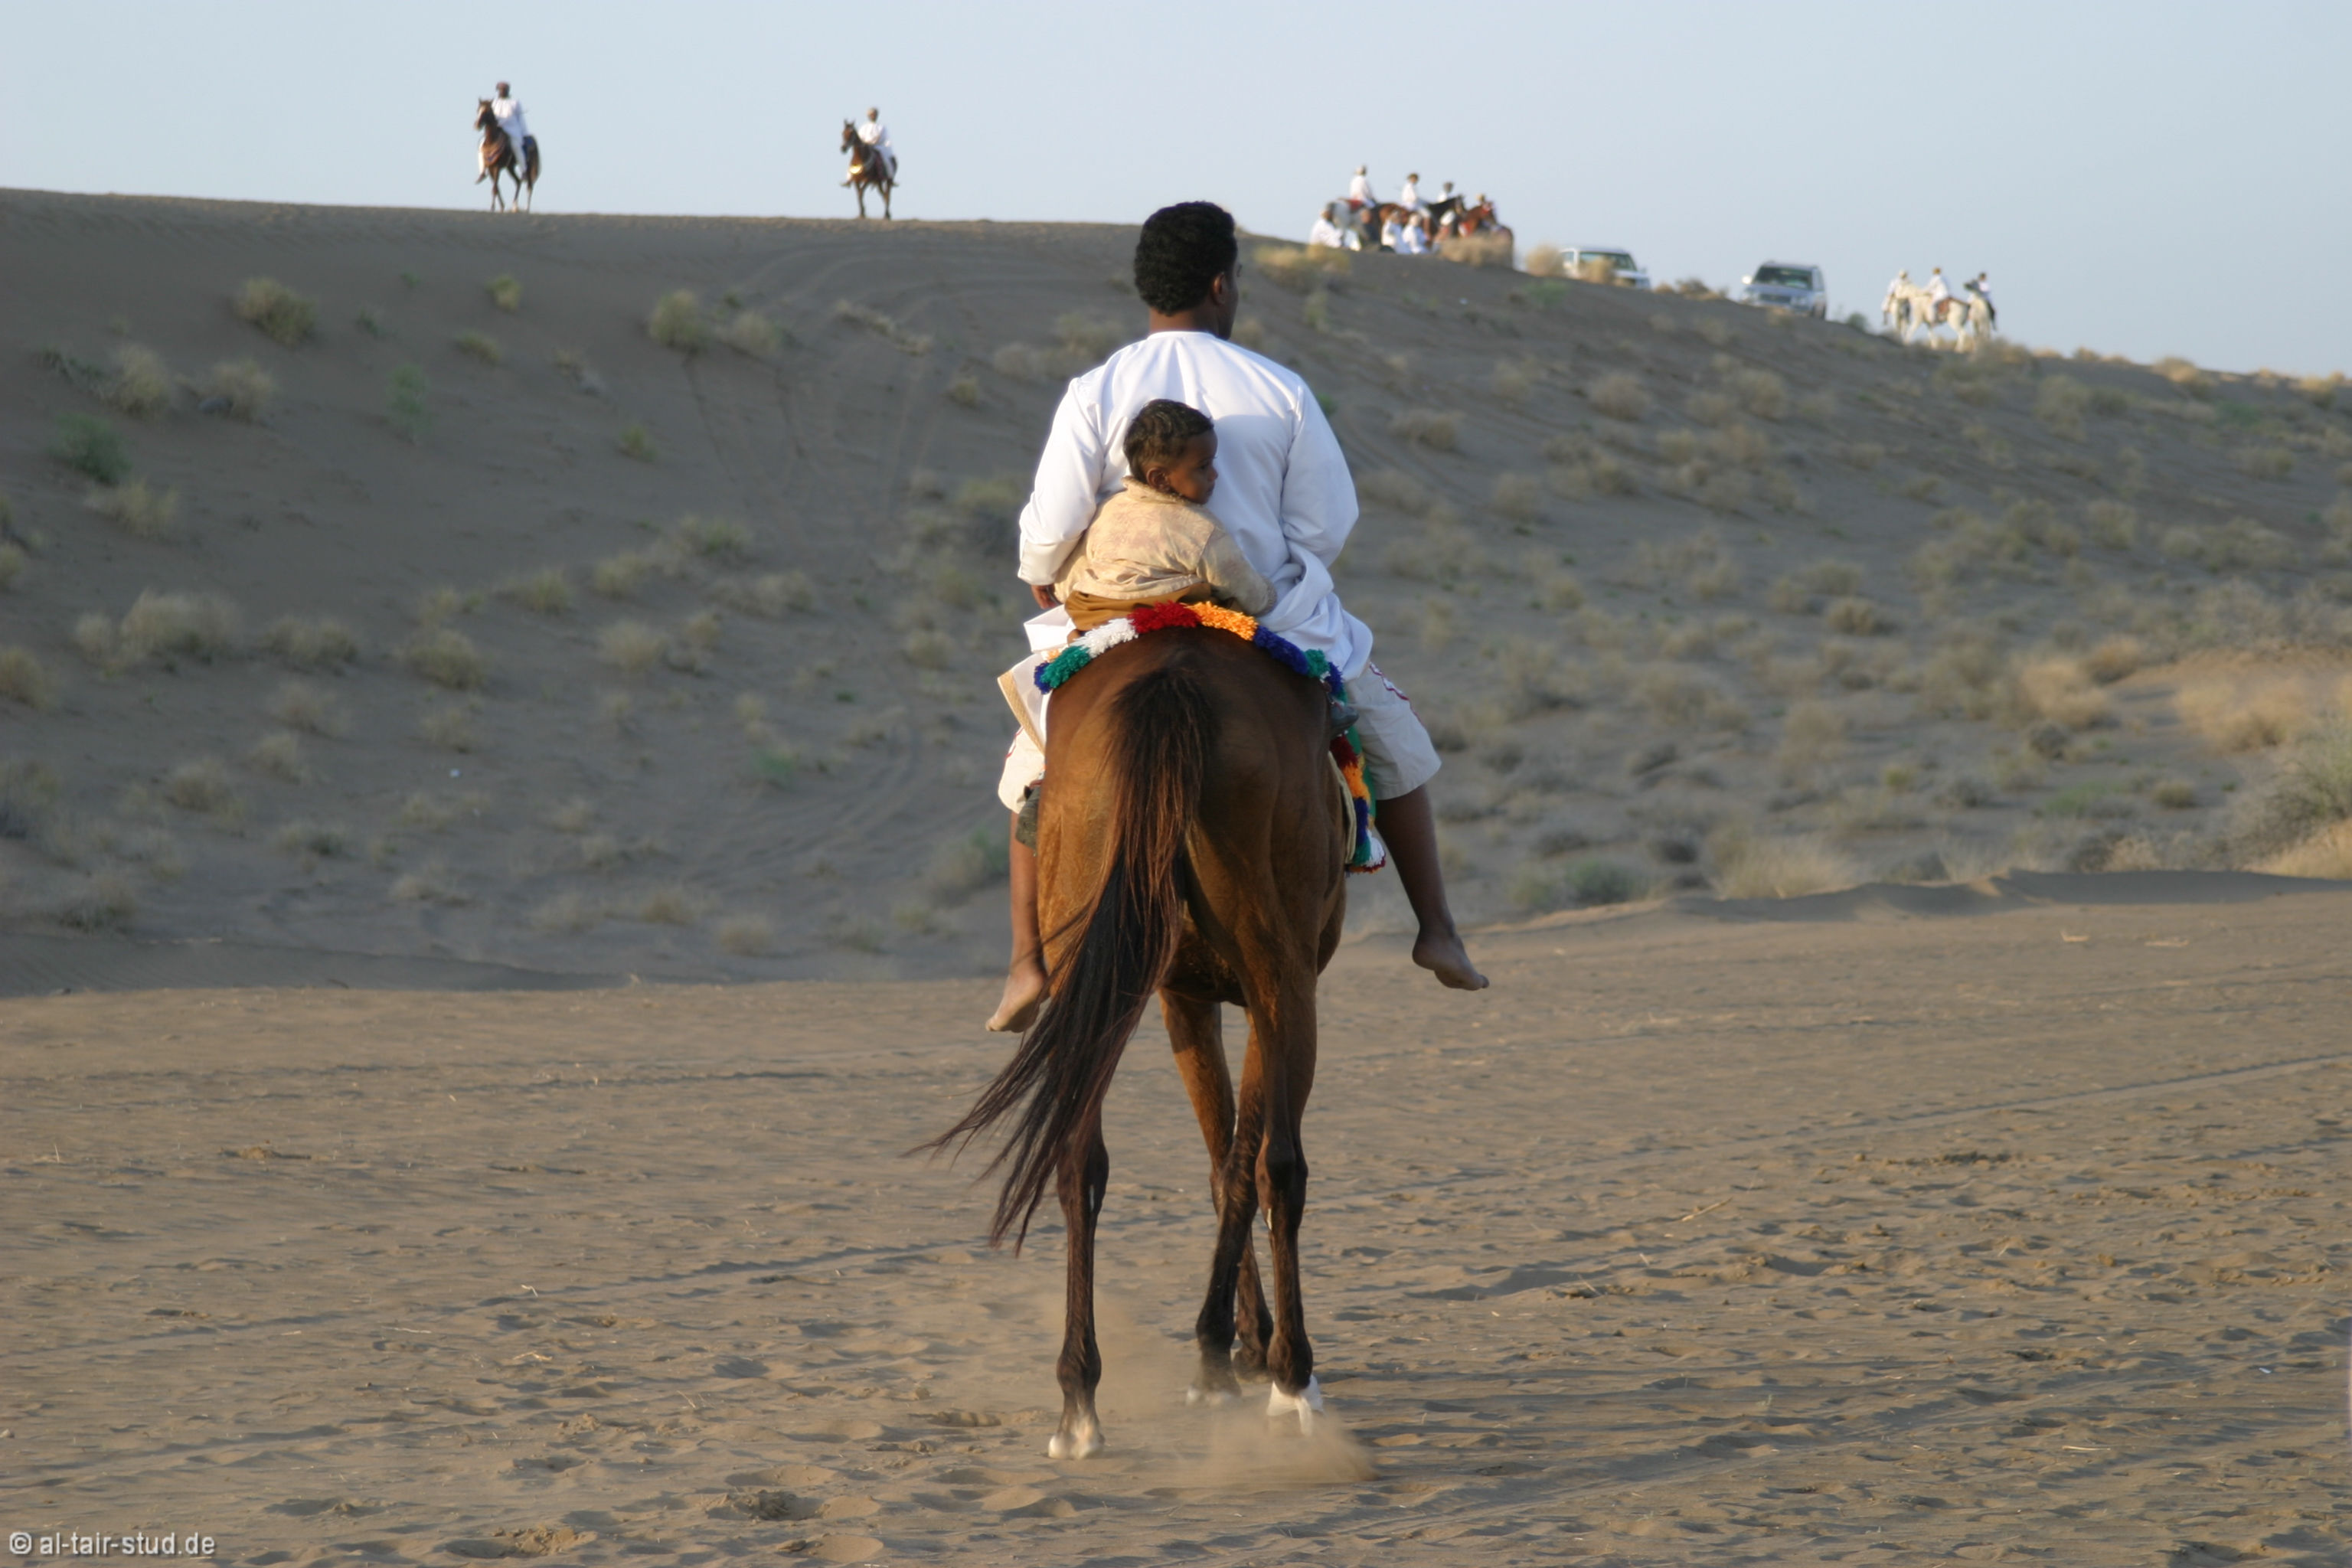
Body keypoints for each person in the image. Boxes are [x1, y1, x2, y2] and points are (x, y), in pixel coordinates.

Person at [985, 200, 1487, 1031]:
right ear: (1221, 285)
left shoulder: (1094, 391)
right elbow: (1327, 525)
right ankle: (1437, 930)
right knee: (1395, 742)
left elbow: (1049, 526)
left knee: (1032, 769)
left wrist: (1044, 571)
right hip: (1268, 620)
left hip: (1120, 621)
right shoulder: (1279, 389)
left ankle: (1025, 962)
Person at [488, 81, 533, 176]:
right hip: (498, 130)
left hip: (512, 130)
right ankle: (483, 171)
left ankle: (523, 170)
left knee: (516, 146)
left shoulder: (514, 103)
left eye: (504, 90)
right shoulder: (493, 103)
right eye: (500, 90)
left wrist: (525, 133)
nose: (502, 91)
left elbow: (521, 119)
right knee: (482, 145)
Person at [855, 106, 895, 181]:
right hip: (866, 147)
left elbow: (883, 137)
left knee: (886, 160)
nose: (873, 116)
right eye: (871, 115)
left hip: (877, 146)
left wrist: (875, 142)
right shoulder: (864, 127)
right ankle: (850, 178)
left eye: (874, 114)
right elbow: (860, 137)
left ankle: (889, 177)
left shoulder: (881, 127)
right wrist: (865, 143)